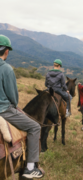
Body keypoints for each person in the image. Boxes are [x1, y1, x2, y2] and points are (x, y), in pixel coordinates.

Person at [0, 35, 43, 178]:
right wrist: (14, 105)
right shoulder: (6, 69)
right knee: (35, 127)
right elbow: (13, 96)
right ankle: (30, 168)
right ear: (6, 51)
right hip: (4, 110)